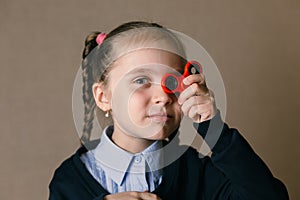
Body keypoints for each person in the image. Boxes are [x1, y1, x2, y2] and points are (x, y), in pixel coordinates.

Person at [49, 21, 289, 200]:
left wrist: (213, 127)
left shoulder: (196, 172)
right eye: (141, 80)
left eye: (172, 83)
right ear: (104, 97)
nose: (163, 96)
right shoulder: (70, 180)